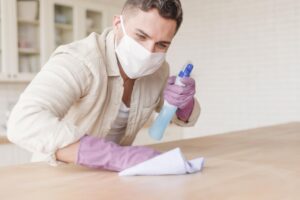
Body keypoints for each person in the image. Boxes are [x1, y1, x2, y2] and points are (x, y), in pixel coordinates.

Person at [7, 0, 200, 171]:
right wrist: (117, 156)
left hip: (111, 179)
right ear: (118, 24)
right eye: (141, 36)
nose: (148, 52)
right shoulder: (80, 60)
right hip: (58, 177)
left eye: (162, 45)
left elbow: (178, 116)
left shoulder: (158, 70)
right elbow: (23, 122)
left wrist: (184, 103)